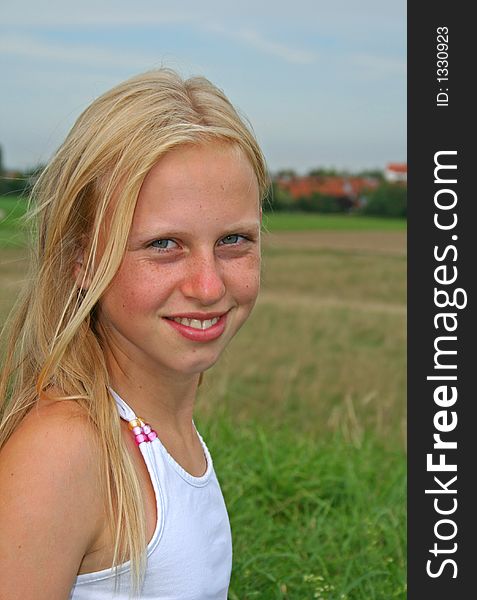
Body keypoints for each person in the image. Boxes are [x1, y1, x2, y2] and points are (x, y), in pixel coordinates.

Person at [0, 69, 268, 599]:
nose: (208, 285)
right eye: (163, 245)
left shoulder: (162, 426)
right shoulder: (65, 449)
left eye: (233, 240)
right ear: (81, 258)